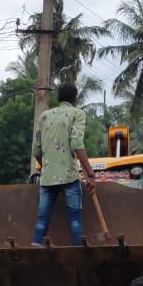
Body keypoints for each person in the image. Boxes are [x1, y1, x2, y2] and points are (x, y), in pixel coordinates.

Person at [31, 83, 95, 247]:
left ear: (58, 97)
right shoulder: (77, 114)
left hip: (47, 178)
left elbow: (36, 151)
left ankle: (33, 257)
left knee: (41, 221)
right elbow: (76, 143)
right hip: (69, 177)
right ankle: (77, 258)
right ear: (75, 99)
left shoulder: (44, 116)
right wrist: (90, 173)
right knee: (74, 221)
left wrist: (46, 167)